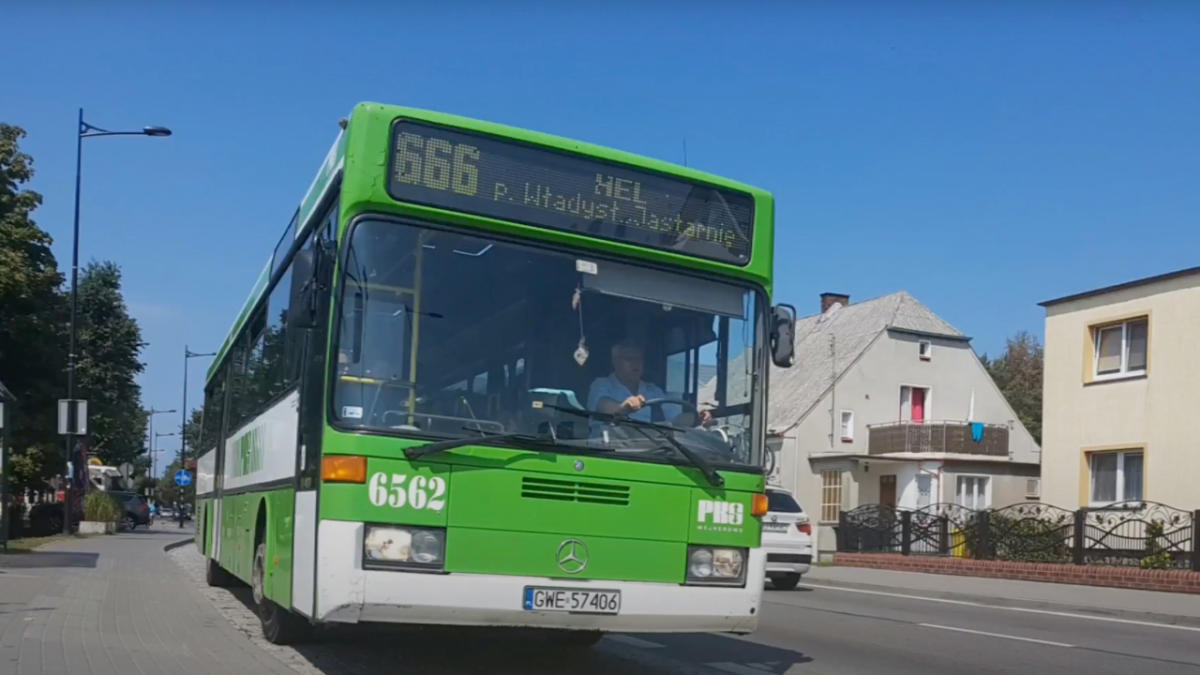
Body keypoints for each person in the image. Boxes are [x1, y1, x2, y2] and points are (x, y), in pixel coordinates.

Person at [587, 339, 712, 427]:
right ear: (615, 361)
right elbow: (604, 407)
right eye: (629, 358)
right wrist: (623, 407)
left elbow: (675, 420)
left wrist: (698, 418)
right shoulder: (601, 385)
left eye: (638, 359)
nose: (635, 363)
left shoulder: (654, 391)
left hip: (649, 452)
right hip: (609, 450)